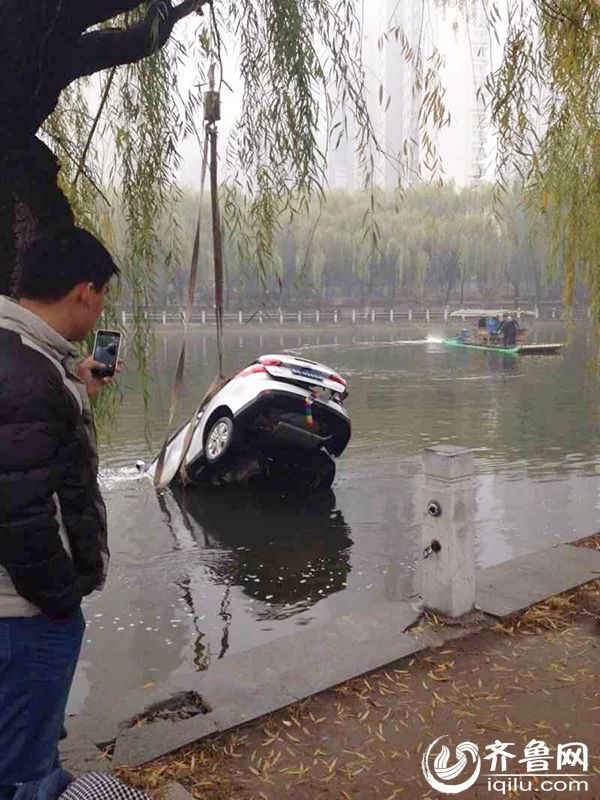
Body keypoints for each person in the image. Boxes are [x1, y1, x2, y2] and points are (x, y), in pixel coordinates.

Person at [0, 227, 119, 797]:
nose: (100, 312)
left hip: (18, 606)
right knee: (22, 771)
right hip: (23, 613)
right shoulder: (24, 375)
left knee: (19, 743)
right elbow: (19, 510)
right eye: (101, 298)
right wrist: (59, 598)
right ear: (84, 292)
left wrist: (72, 388)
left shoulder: (24, 359)